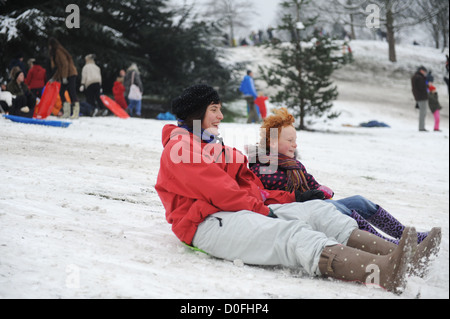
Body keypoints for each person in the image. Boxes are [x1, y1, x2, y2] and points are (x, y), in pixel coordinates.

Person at [155, 84, 439, 294]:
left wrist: (292, 200)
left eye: (219, 109)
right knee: (290, 235)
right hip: (204, 223)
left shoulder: (216, 147)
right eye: (213, 110)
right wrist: (267, 212)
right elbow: (221, 192)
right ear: (196, 114)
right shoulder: (182, 149)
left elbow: (252, 187)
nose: (220, 115)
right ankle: (382, 272)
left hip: (236, 211)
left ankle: (406, 258)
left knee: (318, 212)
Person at [248, 108, 438, 247]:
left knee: (359, 202)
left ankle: (404, 235)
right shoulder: (261, 166)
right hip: (292, 213)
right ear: (272, 141)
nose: (294, 145)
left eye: (295, 141)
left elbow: (312, 184)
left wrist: (321, 188)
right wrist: (307, 194)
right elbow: (274, 194)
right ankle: (387, 245)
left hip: (312, 206)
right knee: (338, 208)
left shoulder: (293, 165)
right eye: (289, 141)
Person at [48, 37, 79, 119]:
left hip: (71, 74)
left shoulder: (58, 51)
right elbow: (59, 68)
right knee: (61, 92)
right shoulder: (57, 52)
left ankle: (76, 113)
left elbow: (65, 64)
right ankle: (67, 112)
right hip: (66, 75)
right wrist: (54, 78)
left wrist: (64, 77)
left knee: (72, 92)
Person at [411, 66, 429, 132]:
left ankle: (421, 127)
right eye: (424, 71)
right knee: (423, 113)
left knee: (422, 112)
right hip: (422, 97)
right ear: (421, 70)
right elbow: (422, 87)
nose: (425, 73)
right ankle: (421, 127)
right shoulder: (419, 78)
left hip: (419, 97)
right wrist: (427, 84)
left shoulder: (415, 77)